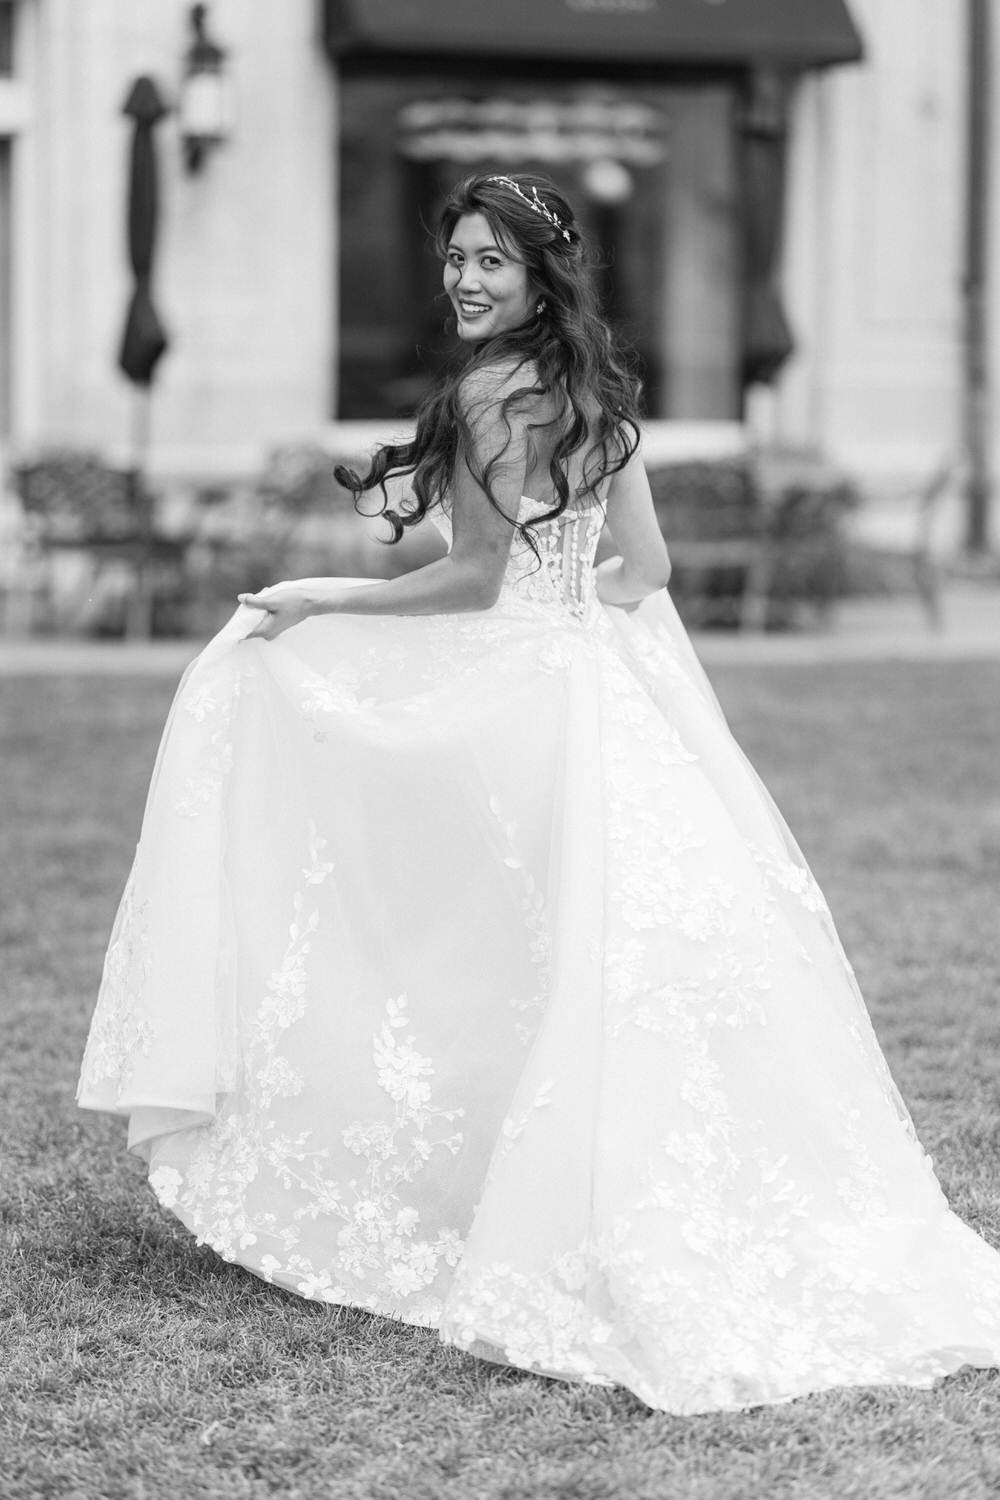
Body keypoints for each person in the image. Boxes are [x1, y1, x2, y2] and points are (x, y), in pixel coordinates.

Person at [77, 172, 1000, 1415]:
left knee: (479, 937)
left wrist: (322, 600)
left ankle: (519, 1192)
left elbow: (466, 582)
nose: (464, 278)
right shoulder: (600, 393)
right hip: (600, 690)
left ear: (536, 277)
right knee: (602, 951)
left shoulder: (484, 391)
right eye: (455, 256)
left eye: (491, 263)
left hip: (529, 683)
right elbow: (647, 570)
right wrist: (576, 625)